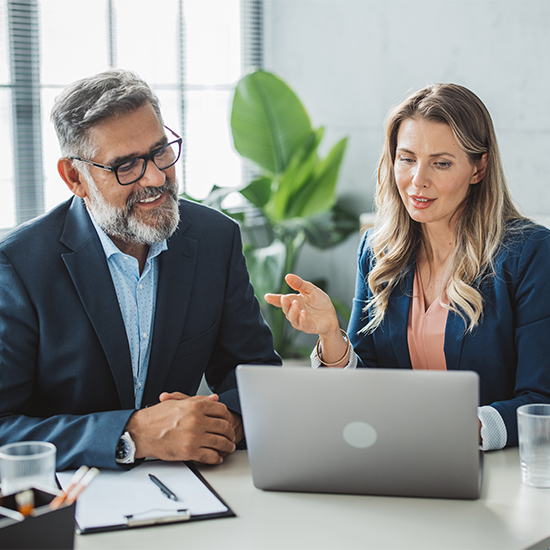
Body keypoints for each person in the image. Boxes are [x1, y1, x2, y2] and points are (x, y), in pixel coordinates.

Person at [0, 69, 281, 471]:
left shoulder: (216, 238)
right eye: (126, 166)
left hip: (196, 489)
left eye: (160, 151)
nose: (155, 178)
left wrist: (227, 425)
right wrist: (133, 435)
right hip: (70, 499)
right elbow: (4, 428)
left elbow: (254, 376)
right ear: (75, 177)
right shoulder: (18, 265)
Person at [266, 83, 550, 451]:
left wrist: (450, 430)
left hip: (492, 471)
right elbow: (364, 387)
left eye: (441, 163)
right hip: (393, 458)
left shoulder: (528, 253)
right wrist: (330, 336)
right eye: (407, 158)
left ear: (479, 168)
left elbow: (540, 401)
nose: (418, 181)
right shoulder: (377, 250)